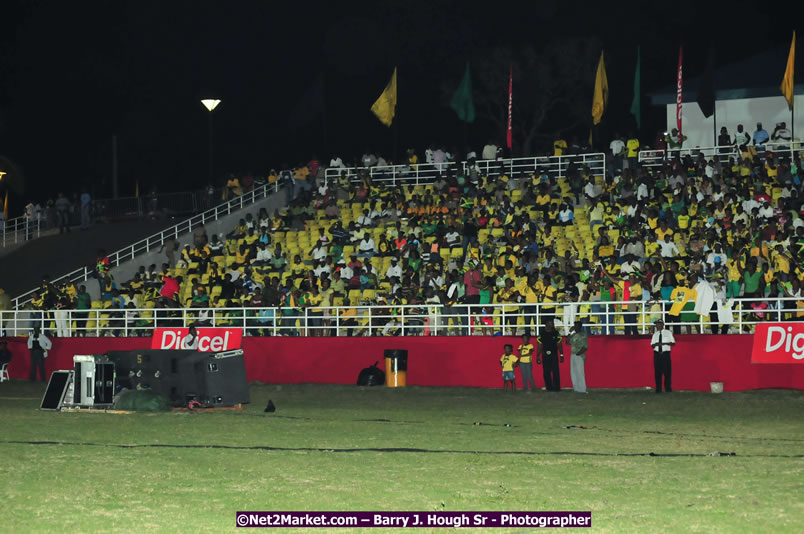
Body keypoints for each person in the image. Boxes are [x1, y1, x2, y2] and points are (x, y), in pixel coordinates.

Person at [536, 318, 563, 391]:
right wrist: (538, 356)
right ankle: (549, 387)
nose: (552, 324)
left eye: (552, 323)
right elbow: (539, 345)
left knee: (555, 372)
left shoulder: (556, 333)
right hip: (545, 354)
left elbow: (559, 344)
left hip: (554, 354)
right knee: (546, 372)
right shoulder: (542, 334)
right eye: (551, 323)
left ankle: (557, 388)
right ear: (546, 324)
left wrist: (561, 354)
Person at [650, 319, 675, 393]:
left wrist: (664, 343)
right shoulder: (655, 334)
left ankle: (668, 388)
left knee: (667, 372)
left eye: (658, 324)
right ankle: (658, 389)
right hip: (657, 353)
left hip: (665, 353)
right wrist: (657, 344)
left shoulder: (668, 332)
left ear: (662, 325)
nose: (657, 326)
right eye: (656, 324)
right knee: (657, 372)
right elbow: (652, 345)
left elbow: (673, 343)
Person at [567, 320, 589, 393]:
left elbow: (585, 347)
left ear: (580, 326)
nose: (575, 327)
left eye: (576, 326)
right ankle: (576, 388)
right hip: (573, 354)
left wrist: (578, 354)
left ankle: (582, 389)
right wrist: (570, 332)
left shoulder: (583, 335)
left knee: (580, 372)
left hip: (579, 355)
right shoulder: (574, 335)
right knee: (573, 372)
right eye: (574, 325)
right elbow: (567, 342)